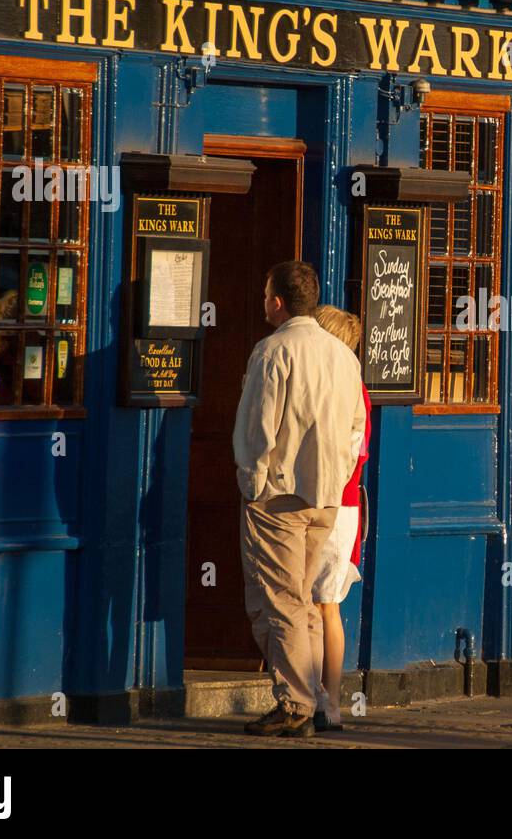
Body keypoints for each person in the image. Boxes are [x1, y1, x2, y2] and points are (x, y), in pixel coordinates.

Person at [233, 261, 365, 737]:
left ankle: (296, 705)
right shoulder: (342, 356)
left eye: (267, 294)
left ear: (278, 302)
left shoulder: (273, 352)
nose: (264, 301)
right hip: (326, 497)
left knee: (279, 601)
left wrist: (253, 485)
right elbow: (356, 429)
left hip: (281, 496)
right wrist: (336, 478)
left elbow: (257, 429)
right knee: (304, 602)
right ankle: (313, 699)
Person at [308, 304, 371, 731]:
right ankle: (326, 697)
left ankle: (322, 696)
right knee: (325, 605)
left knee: (320, 604)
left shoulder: (343, 388)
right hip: (345, 504)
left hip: (334, 504)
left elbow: (348, 454)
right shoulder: (351, 386)